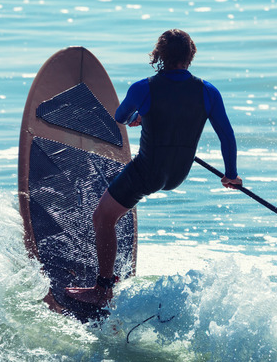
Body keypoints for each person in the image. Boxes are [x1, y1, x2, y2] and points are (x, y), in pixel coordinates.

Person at [64, 29, 242, 307]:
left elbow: (121, 116)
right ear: (190, 56)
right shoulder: (208, 92)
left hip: (147, 172)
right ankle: (113, 247)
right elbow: (227, 136)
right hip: (179, 173)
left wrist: (139, 116)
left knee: (102, 217)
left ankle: (102, 288)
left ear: (159, 55)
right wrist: (230, 174)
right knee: (117, 204)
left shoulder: (142, 88)